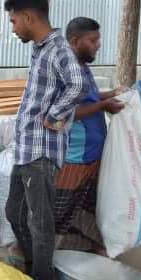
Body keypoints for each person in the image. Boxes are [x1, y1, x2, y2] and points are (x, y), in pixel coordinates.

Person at [2, 0, 84, 280]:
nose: (13, 27)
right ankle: (35, 265)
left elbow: (76, 85)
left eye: (13, 21)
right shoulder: (39, 48)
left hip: (41, 150)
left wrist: (54, 116)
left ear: (27, 16)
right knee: (14, 211)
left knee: (40, 219)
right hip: (25, 149)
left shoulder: (58, 48)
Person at [53, 17, 126, 255]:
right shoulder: (65, 71)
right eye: (93, 40)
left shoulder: (82, 66)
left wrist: (110, 94)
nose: (98, 45)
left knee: (88, 206)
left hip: (91, 154)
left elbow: (90, 97)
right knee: (61, 209)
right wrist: (103, 107)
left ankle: (85, 247)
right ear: (75, 41)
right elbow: (64, 113)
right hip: (74, 156)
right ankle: (45, 255)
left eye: (98, 39)